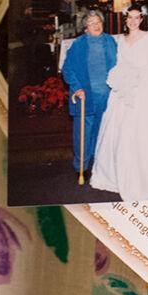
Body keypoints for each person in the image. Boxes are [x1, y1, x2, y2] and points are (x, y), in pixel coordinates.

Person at [91, 5, 148, 200]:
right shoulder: (121, 40)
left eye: (137, 18)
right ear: (125, 20)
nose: (133, 21)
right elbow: (119, 63)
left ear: (141, 19)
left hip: (144, 88)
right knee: (121, 131)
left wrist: (140, 77)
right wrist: (122, 78)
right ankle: (119, 173)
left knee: (146, 131)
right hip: (124, 90)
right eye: (130, 18)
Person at [61, 11, 117, 174]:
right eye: (92, 23)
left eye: (98, 21)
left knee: (104, 132)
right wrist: (77, 87)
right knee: (83, 135)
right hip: (86, 96)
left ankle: (100, 165)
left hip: (108, 97)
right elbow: (67, 69)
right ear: (85, 28)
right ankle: (82, 166)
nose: (96, 25)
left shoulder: (110, 41)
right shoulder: (78, 45)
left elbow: (120, 65)